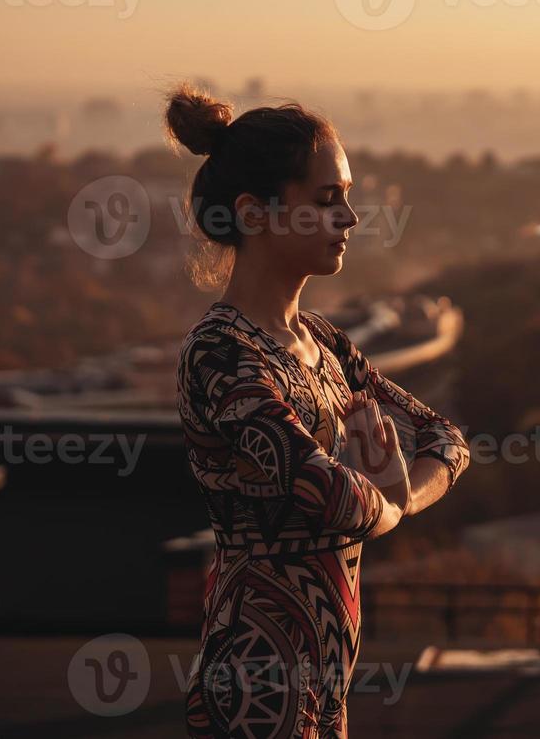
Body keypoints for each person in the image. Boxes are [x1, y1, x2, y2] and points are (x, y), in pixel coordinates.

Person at [165, 85, 471, 738]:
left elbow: (446, 439)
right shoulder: (219, 355)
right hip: (253, 684)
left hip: (325, 684)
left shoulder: (324, 342)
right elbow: (330, 495)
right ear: (256, 213)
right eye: (327, 200)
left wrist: (397, 496)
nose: (350, 219)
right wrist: (389, 490)